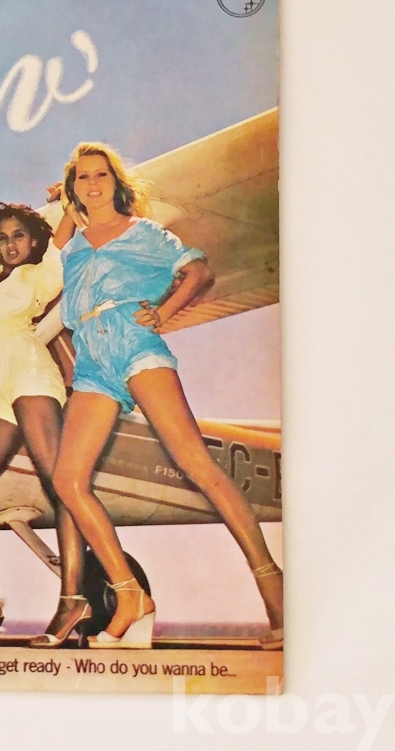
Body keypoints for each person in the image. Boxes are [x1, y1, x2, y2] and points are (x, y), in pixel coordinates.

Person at [50, 142, 284, 650]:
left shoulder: (144, 233)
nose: (93, 184)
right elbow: (52, 252)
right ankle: (130, 595)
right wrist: (66, 209)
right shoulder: (73, 247)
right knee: (68, 480)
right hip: (91, 361)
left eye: (101, 175)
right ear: (74, 189)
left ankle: (275, 591)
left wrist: (165, 311)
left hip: (135, 345)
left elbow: (199, 271)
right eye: (83, 177)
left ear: (116, 182)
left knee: (196, 464)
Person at [0, 202, 86, 646]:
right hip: (0, 393)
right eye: (3, 238)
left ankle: (73, 599)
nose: (10, 245)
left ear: (34, 240)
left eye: (19, 236)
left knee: (61, 485)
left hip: (30, 377)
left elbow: (61, 239)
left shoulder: (39, 275)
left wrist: (67, 204)